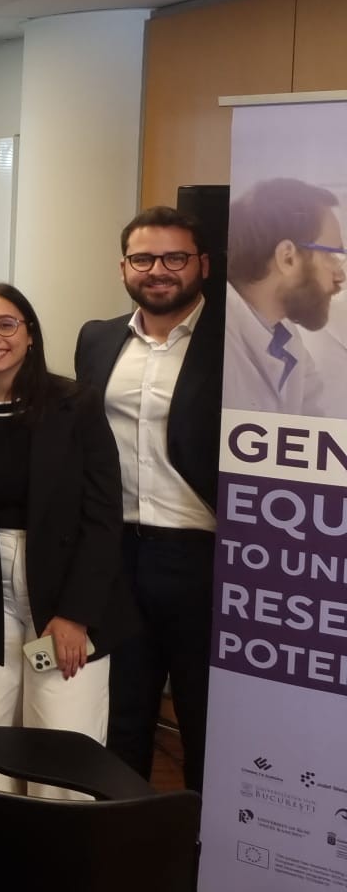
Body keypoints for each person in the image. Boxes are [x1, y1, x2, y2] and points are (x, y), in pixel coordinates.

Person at [0, 283, 134, 799]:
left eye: (6, 324)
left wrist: (76, 614)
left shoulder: (75, 403)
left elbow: (103, 515)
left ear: (30, 333)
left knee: (62, 736)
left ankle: (58, 846)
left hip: (63, 587)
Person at [75, 208, 222, 792]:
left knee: (205, 716)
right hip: (117, 555)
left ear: (202, 264)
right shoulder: (97, 338)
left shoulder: (238, 342)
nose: (158, 270)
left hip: (202, 557)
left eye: (174, 257)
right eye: (143, 258)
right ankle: (122, 834)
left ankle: (202, 839)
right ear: (123, 268)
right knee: (122, 714)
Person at [225, 177, 344, 416]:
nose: (340, 276)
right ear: (287, 257)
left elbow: (313, 423)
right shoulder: (217, 337)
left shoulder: (285, 338)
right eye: (332, 256)